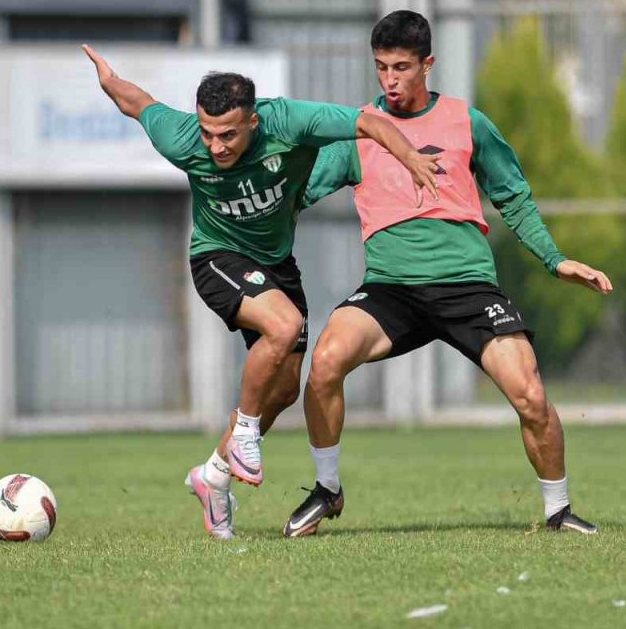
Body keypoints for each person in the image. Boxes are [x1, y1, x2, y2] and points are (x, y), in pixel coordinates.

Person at [83, 44, 441, 540]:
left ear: (253, 121)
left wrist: (410, 158)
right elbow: (138, 103)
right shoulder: (181, 139)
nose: (216, 147)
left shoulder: (289, 122)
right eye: (208, 133)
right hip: (217, 257)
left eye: (228, 134)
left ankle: (213, 477)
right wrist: (109, 80)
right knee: (284, 325)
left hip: (277, 266)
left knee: (286, 388)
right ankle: (246, 433)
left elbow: (370, 123)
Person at [282, 11, 612, 538]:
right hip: (390, 291)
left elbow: (513, 197)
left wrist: (555, 260)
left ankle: (559, 510)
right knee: (324, 363)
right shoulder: (359, 132)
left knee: (530, 395)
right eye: (381, 67)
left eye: (401, 68)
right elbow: (295, 198)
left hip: (468, 289)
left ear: (427, 64)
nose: (390, 80)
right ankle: (327, 489)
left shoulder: (467, 122)